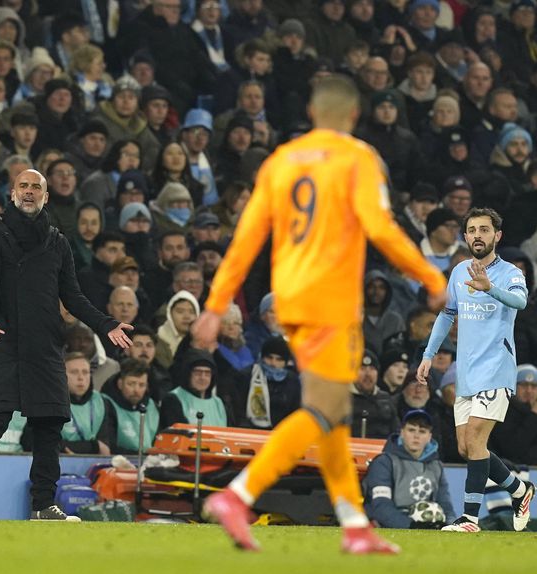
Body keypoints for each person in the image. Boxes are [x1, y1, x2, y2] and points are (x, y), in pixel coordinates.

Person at [192, 74, 447, 554]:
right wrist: (430, 276)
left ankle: (353, 523)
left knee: (335, 412)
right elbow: (381, 227)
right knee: (324, 409)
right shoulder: (358, 158)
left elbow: (246, 238)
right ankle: (238, 494)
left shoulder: (280, 161)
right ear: (353, 116)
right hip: (331, 301)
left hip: (289, 299)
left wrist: (215, 304)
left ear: (311, 114)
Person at [0, 168, 133, 522]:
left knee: (48, 427)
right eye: (24, 186)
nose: (29, 191)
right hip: (7, 340)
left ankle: (43, 504)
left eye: (36, 187)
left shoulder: (58, 242)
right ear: (12, 192)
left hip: (46, 346)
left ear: (45, 197)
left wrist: (105, 325)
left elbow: (73, 296)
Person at [417, 207, 535, 533]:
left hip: (496, 368)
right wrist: (428, 355)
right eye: (472, 230)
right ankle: (520, 490)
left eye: (484, 230)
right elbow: (446, 315)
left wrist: (489, 288)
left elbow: (521, 302)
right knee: (467, 448)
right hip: (466, 370)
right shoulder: (458, 272)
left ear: (496, 236)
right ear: (466, 236)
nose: (477, 235)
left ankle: (469, 519)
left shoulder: (510, 273)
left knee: (475, 439)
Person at [363, 409, 455, 529]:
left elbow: (445, 505)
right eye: (411, 430)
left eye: (422, 431)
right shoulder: (384, 462)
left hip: (425, 525)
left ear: (429, 437)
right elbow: (380, 506)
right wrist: (411, 525)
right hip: (386, 527)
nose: (416, 436)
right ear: (402, 432)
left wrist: (450, 526)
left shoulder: (436, 466)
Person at [61, 352, 116, 454]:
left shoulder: (101, 402)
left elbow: (105, 446)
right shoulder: (50, 402)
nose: (81, 378)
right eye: (74, 372)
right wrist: (94, 446)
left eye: (85, 372)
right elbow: (45, 443)